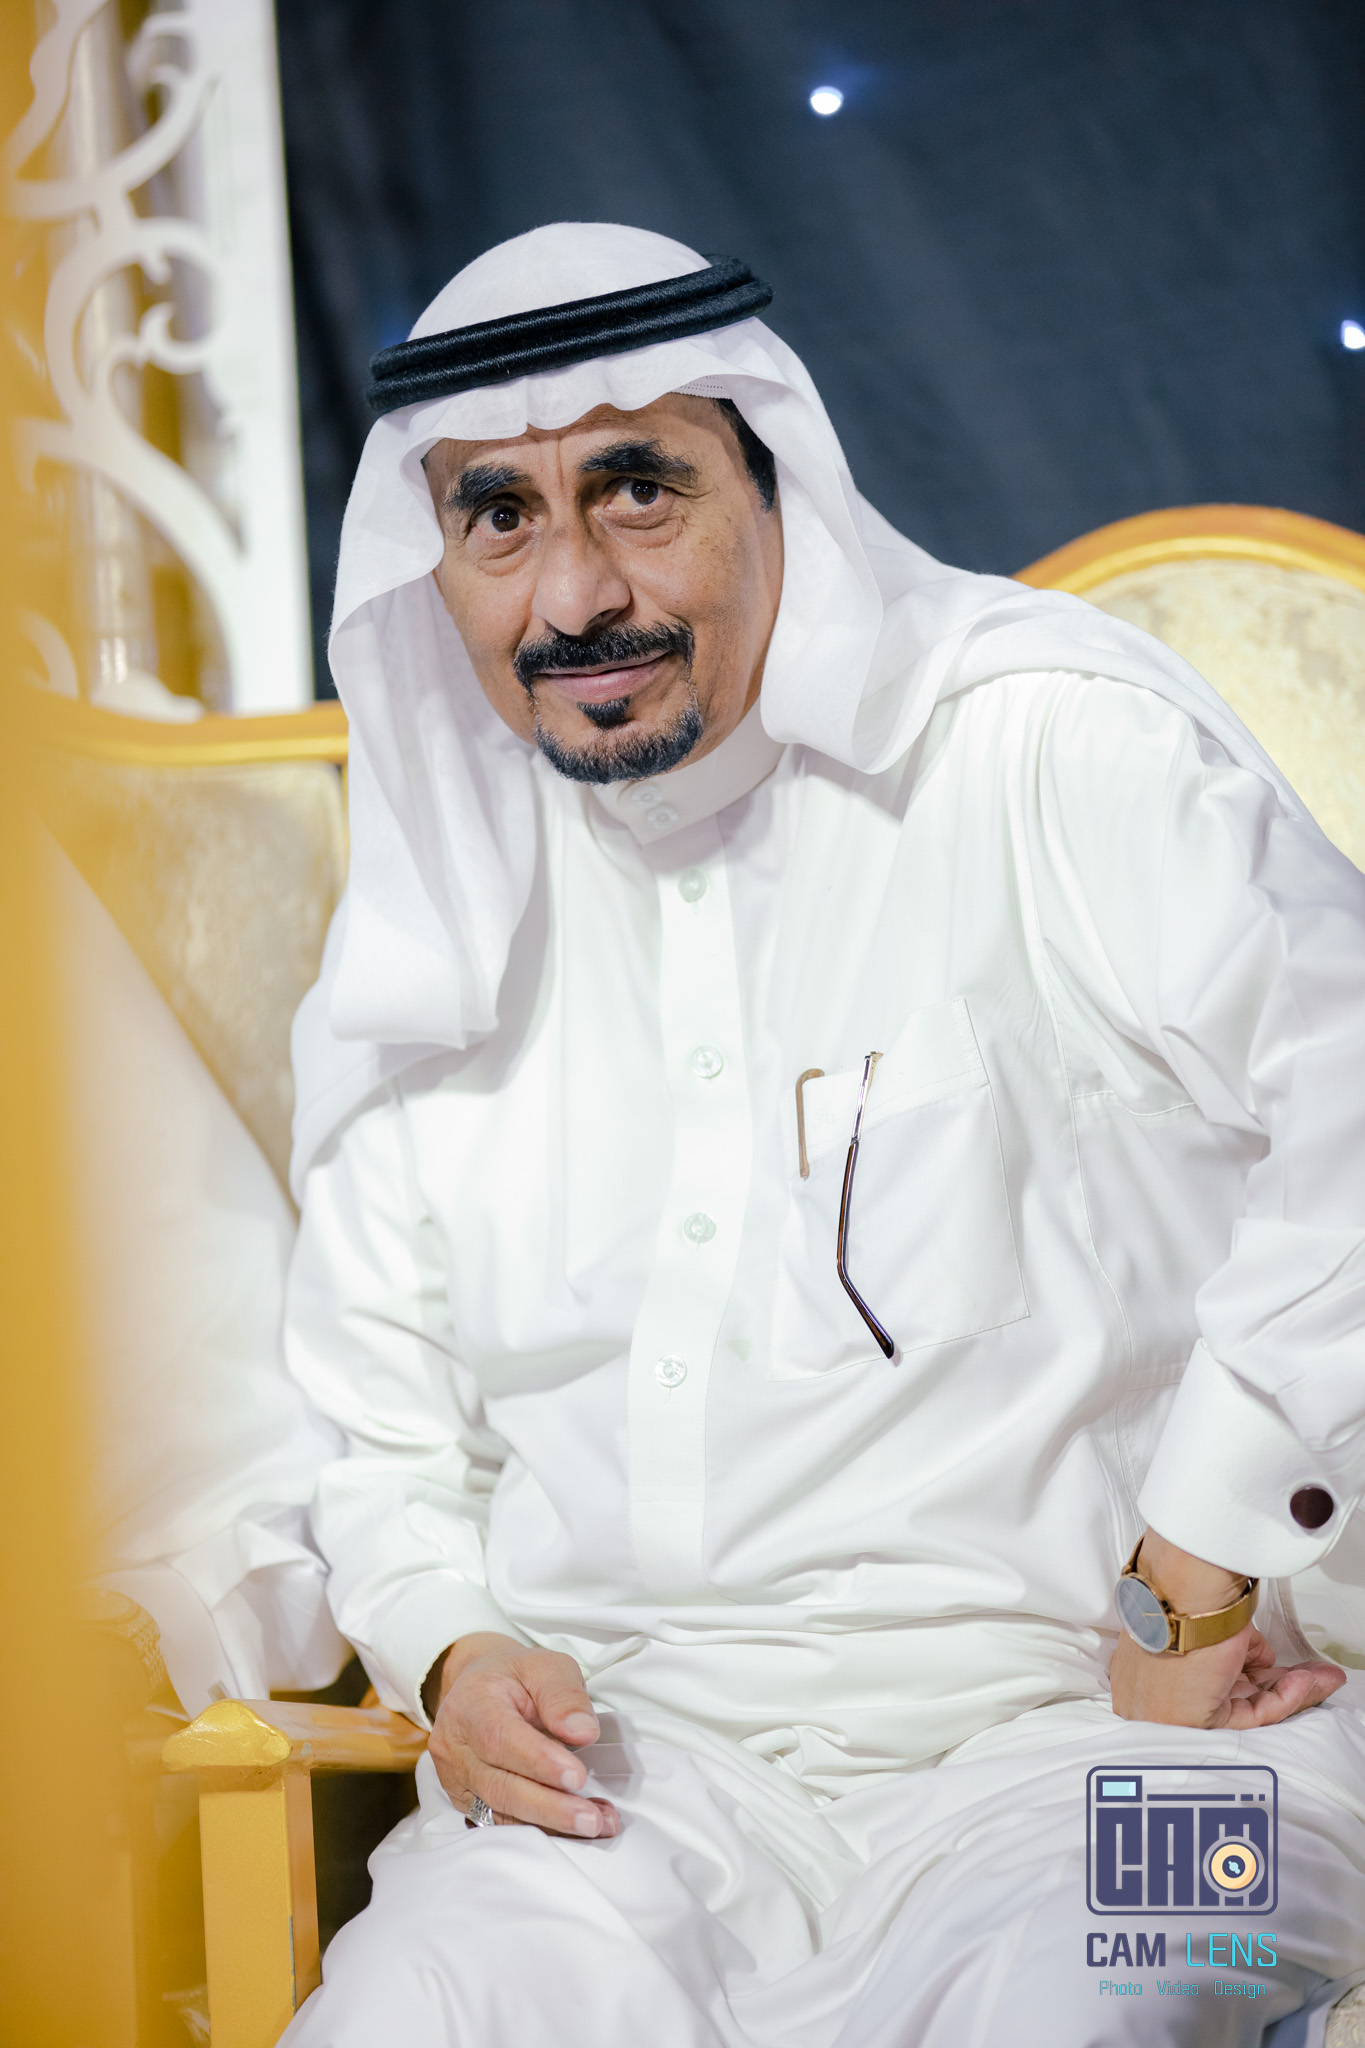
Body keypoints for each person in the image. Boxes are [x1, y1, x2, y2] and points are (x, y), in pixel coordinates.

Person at [281, 224, 1365, 2045]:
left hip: (1139, 1745)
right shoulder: (442, 912)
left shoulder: (1042, 747)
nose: (574, 597)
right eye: (498, 517)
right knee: (405, 2018)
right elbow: (375, 1422)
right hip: (636, 1784)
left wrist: (1197, 1563)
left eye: (638, 491)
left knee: (1091, 2007)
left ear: (778, 487)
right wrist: (451, 1642)